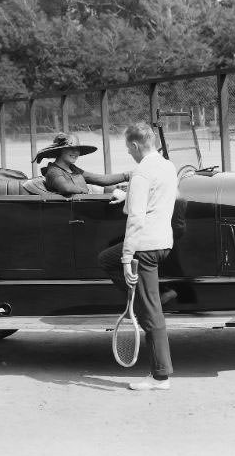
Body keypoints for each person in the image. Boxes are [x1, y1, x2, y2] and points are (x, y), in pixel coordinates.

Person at [99, 122, 178, 391]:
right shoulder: (167, 165)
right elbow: (156, 199)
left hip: (144, 247)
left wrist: (126, 257)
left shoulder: (141, 173)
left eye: (128, 149)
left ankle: (160, 376)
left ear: (134, 145)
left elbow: (135, 218)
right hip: (163, 243)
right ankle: (152, 297)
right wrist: (128, 194)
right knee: (105, 259)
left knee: (151, 313)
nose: (129, 154)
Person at [34, 133, 130, 195]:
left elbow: (101, 179)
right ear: (60, 151)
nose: (75, 152)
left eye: (77, 149)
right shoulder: (53, 171)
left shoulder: (73, 169)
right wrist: (87, 191)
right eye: (71, 148)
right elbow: (65, 188)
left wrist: (126, 175)